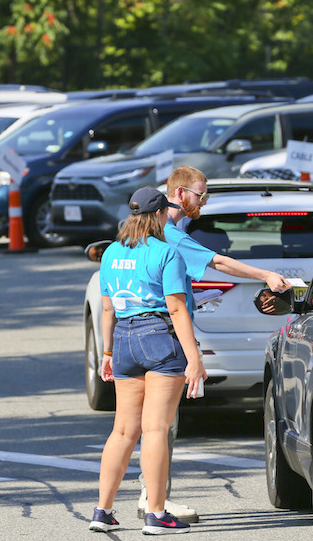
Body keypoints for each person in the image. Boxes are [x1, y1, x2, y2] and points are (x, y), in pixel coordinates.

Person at [133, 166, 292, 522]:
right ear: (180, 195)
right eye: (201, 195)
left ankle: (147, 495)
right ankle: (153, 498)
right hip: (164, 336)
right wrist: (265, 274)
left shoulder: (159, 230)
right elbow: (217, 261)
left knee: (150, 423)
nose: (204, 202)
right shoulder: (170, 234)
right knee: (162, 424)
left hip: (139, 334)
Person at [89, 187, 207, 535]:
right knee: (155, 429)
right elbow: (175, 308)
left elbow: (108, 308)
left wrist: (107, 354)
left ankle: (103, 510)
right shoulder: (166, 252)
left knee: (123, 431)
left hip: (123, 340)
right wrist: (194, 359)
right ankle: (156, 514)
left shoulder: (110, 253)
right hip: (158, 337)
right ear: (159, 215)